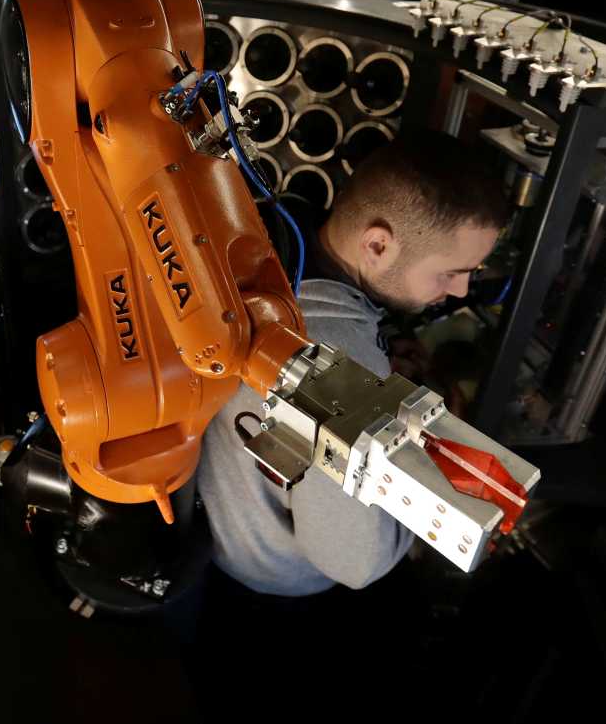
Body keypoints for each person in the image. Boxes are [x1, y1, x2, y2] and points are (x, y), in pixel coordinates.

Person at [197, 131, 510, 597]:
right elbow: (355, 563)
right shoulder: (338, 368)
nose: (462, 291)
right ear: (378, 246)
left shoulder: (270, 232)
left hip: (211, 512)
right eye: (451, 272)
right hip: (262, 574)